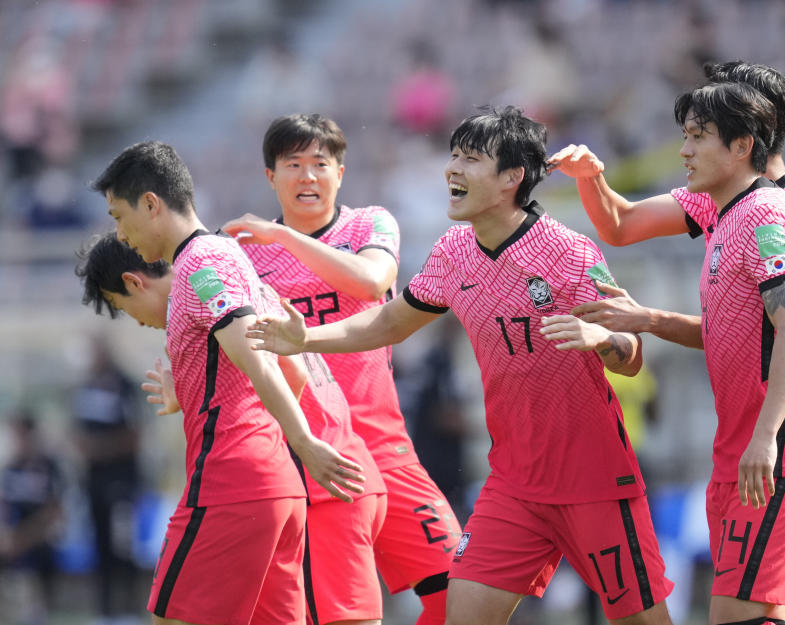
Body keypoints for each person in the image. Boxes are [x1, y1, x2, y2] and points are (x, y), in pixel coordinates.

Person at [246, 105, 675, 625]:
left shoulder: (570, 253)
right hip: (512, 486)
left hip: (593, 481)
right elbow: (387, 324)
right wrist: (304, 339)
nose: (452, 169)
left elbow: (631, 358)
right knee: (458, 613)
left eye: (470, 158)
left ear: (512, 177)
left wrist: (603, 337)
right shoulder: (453, 252)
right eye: (453, 155)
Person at [549, 60, 785, 625]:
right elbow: (622, 225)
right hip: (780, 423)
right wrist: (649, 315)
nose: (685, 148)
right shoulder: (725, 202)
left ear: (748, 131)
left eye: (700, 130)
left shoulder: (773, 214)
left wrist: (767, 436)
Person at [79, 141, 366, 625]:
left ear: (151, 204)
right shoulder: (228, 257)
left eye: (119, 216)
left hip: (228, 487)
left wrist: (303, 441)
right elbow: (288, 365)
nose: (120, 234)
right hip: (277, 490)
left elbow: (254, 355)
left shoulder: (201, 263)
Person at [221, 113, 460, 625]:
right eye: (293, 165)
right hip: (309, 454)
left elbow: (372, 283)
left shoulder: (369, 224)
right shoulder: (239, 257)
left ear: (341, 173)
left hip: (385, 446)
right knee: (328, 615)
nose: (308, 177)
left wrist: (283, 238)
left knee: (460, 594)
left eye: (319, 164)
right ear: (271, 176)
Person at [70, 338, 144, 620]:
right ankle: (105, 610)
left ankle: (130, 609)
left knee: (122, 544)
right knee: (99, 545)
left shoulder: (124, 385)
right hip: (93, 481)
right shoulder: (85, 387)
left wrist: (104, 449)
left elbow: (136, 433)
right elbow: (76, 429)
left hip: (121, 482)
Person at [0, 408, 64, 625]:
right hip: (14, 541)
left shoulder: (48, 467)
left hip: (40, 540)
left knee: (35, 559)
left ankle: (36, 610)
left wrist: (23, 538)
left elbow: (56, 512)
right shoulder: (10, 469)